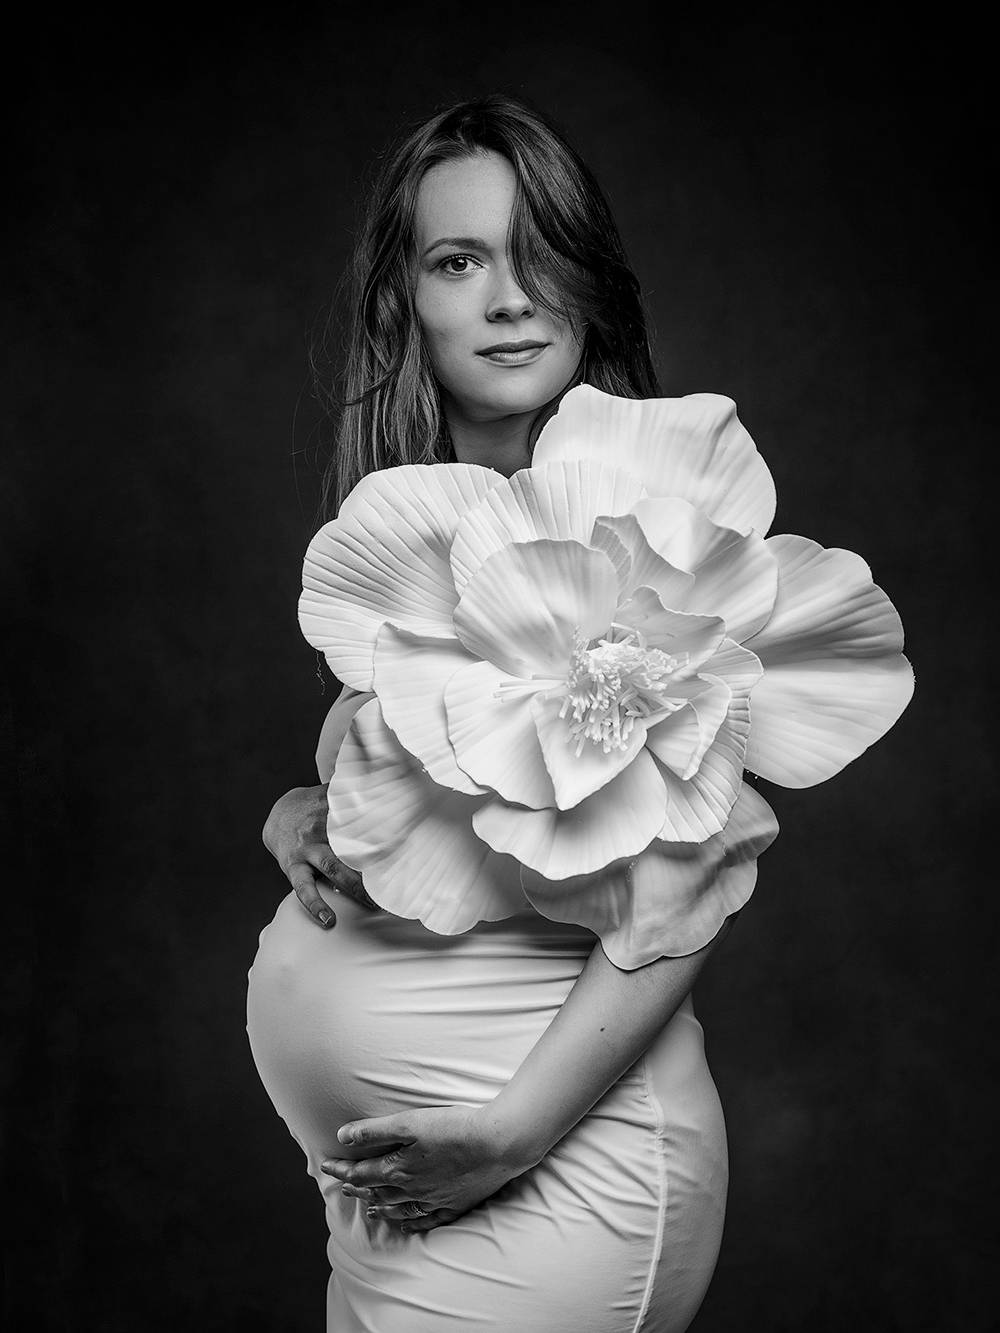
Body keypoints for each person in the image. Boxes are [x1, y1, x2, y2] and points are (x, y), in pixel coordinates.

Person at [247, 94, 738, 1333]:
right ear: (404, 299)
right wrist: (306, 810)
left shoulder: (655, 519)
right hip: (395, 1194)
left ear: (588, 281)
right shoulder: (413, 521)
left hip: (547, 1163)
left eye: (539, 255)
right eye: (460, 261)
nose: (510, 299)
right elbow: (460, 797)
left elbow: (690, 885)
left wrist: (511, 1135)